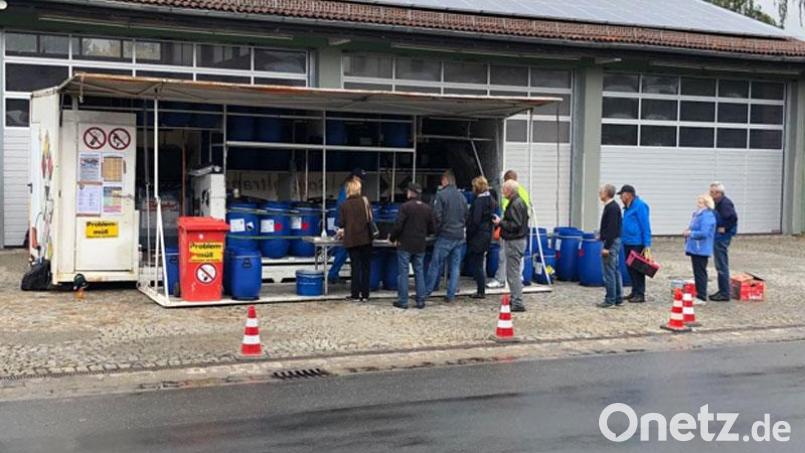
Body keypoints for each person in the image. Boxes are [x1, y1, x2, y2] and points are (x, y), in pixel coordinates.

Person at [389, 183, 436, 309]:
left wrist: (392, 238)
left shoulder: (405, 207)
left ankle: (403, 301)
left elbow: (398, 225)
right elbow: (432, 228)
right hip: (420, 244)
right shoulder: (427, 208)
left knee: (403, 273)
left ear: (410, 193)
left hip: (405, 244)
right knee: (419, 272)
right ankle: (421, 300)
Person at [425, 170, 469, 303]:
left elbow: (436, 215)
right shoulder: (462, 197)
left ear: (445, 180)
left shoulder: (441, 195)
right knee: (455, 267)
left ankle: (426, 292)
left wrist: (436, 231)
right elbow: (467, 215)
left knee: (435, 264)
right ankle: (451, 295)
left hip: (445, 235)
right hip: (459, 236)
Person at [487, 170, 531, 289]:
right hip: (522, 231)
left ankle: (500, 279)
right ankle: (519, 277)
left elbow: (509, 216)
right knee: (518, 258)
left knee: (503, 255)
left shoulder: (511, 197)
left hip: (510, 232)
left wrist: (499, 223)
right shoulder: (524, 192)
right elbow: (527, 212)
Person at [493, 179, 529, 312]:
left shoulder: (515, 204)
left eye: (503, 189)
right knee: (513, 272)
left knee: (513, 273)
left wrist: (500, 222)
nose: (502, 192)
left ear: (509, 190)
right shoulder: (519, 202)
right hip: (518, 240)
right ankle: (516, 299)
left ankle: (518, 302)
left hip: (514, 241)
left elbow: (515, 225)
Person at [336, 178, 372, 302]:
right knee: (366, 267)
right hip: (366, 239)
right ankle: (365, 295)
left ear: (348, 190)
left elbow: (341, 223)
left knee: (355, 267)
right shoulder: (365, 201)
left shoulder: (344, 205)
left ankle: (355, 294)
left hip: (352, 240)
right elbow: (370, 218)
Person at [328, 168, 366, 284]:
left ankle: (333, 274)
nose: (361, 182)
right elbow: (342, 208)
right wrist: (343, 227)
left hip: (344, 225)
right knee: (343, 251)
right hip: (343, 226)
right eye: (360, 179)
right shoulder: (347, 190)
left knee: (343, 251)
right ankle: (332, 275)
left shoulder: (348, 190)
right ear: (355, 178)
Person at [618, 184, 652, 303]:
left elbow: (645, 225)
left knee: (638, 268)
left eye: (622, 195)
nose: (620, 198)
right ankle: (634, 291)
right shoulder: (627, 207)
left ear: (628, 195)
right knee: (630, 268)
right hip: (627, 241)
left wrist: (647, 244)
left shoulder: (640, 206)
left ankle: (640, 293)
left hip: (637, 242)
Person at [465, 176, 497, 299]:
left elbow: (475, 221)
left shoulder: (478, 202)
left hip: (478, 235)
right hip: (487, 234)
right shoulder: (491, 200)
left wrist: (469, 233)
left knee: (477, 264)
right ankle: (481, 289)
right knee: (480, 262)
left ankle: (480, 290)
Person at [684, 194, 717, 305]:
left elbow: (704, 233)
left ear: (706, 204)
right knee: (697, 272)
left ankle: (702, 296)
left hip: (701, 248)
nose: (698, 203)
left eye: (701, 202)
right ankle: (699, 294)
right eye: (698, 201)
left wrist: (691, 233)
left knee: (700, 272)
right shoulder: (697, 215)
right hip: (695, 248)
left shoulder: (707, 216)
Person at [709, 182, 738, 302]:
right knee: (719, 264)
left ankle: (725, 293)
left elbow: (733, 218)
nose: (711, 194)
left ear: (719, 193)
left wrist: (725, 228)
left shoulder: (725, 203)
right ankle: (722, 290)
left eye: (713, 192)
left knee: (721, 264)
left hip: (722, 237)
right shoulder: (716, 203)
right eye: (710, 191)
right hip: (719, 236)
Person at [597, 184, 623, 309]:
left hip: (611, 243)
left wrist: (606, 246)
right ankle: (618, 298)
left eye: (601, 191)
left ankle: (610, 299)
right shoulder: (612, 207)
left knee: (609, 272)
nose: (599, 193)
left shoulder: (611, 208)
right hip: (613, 240)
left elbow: (612, 229)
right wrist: (601, 235)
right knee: (615, 270)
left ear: (606, 193)